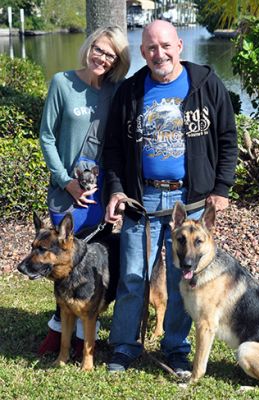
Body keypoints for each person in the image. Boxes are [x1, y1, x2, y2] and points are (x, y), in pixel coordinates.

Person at [103, 20, 237, 376]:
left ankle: (176, 347)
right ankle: (124, 346)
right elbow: (114, 149)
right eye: (149, 48)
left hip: (190, 201)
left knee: (183, 280)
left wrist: (221, 188)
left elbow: (227, 137)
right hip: (141, 199)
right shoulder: (130, 91)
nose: (158, 53)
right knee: (133, 275)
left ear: (179, 45)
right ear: (142, 52)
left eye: (164, 46)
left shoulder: (206, 84)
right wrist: (116, 189)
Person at [38, 26, 130, 357]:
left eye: (111, 54)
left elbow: (118, 144)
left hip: (100, 193)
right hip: (67, 191)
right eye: (99, 49)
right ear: (89, 47)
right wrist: (66, 181)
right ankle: (56, 331)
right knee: (62, 265)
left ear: (118, 60)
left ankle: (80, 337)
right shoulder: (63, 82)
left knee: (88, 267)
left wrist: (115, 194)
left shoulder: (116, 91)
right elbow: (47, 136)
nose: (102, 58)